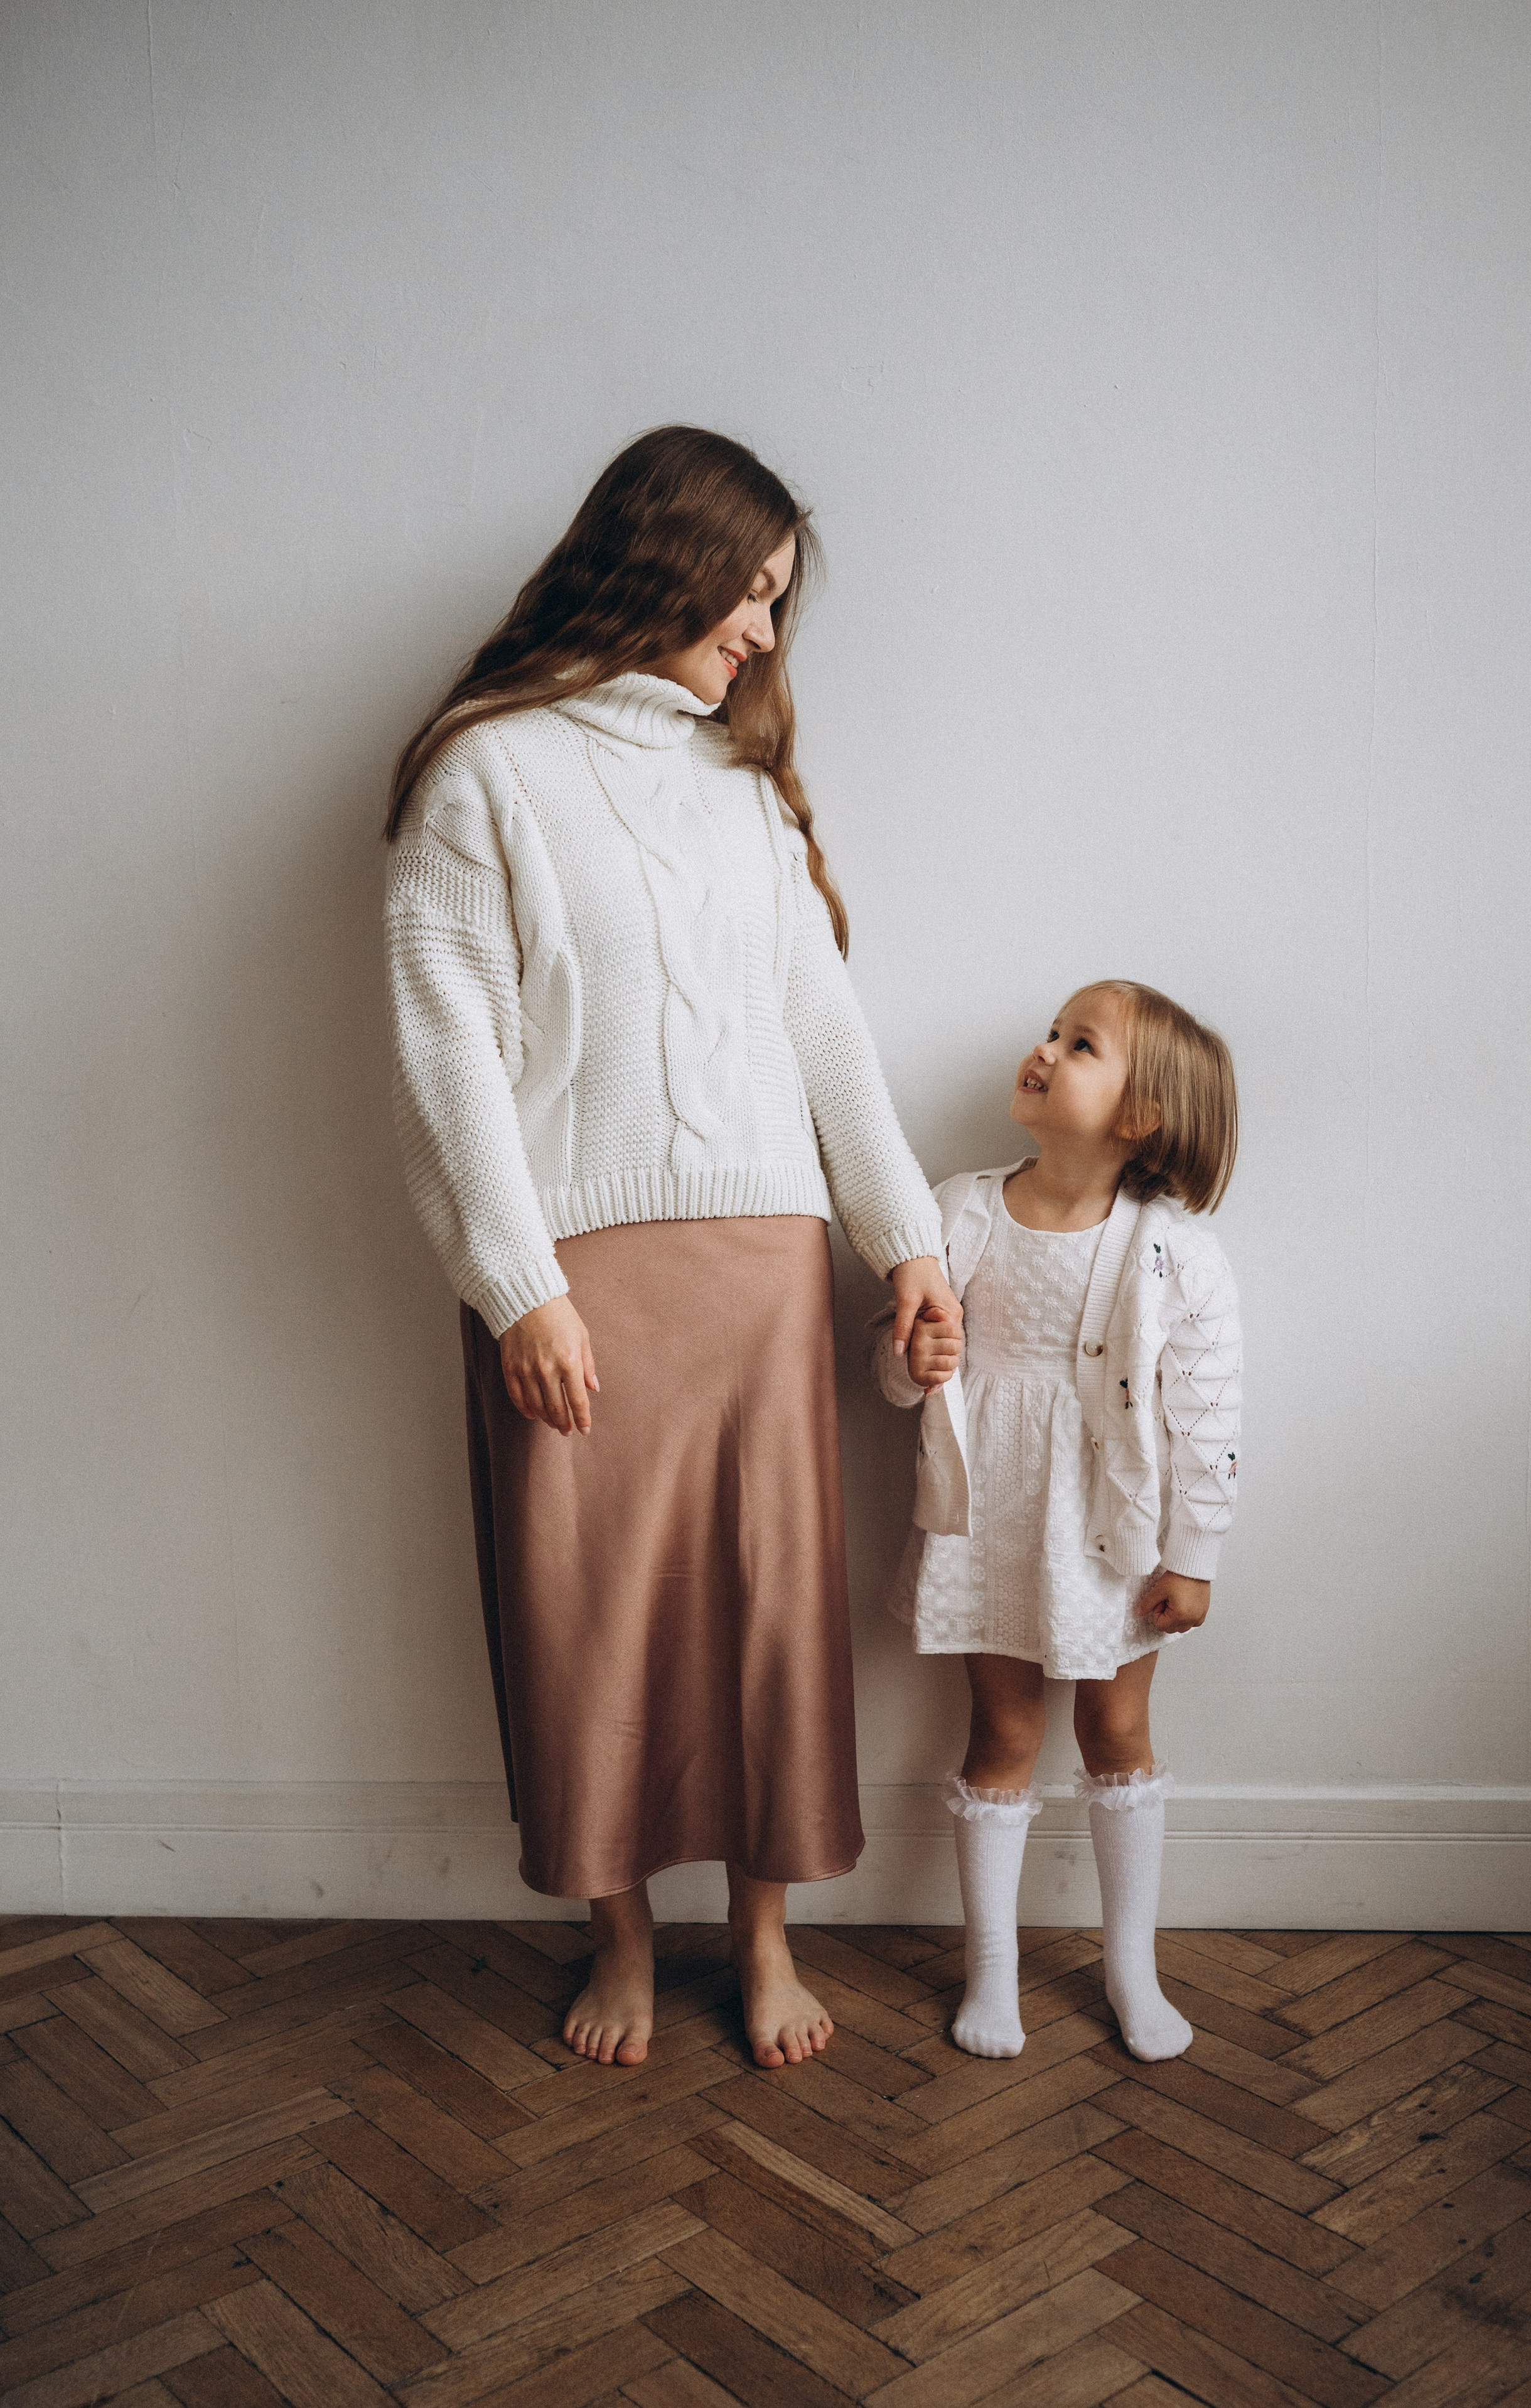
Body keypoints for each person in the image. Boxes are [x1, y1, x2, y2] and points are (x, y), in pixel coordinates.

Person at [384, 426, 959, 2070]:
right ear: (668, 561)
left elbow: (823, 1028)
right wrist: (520, 1285)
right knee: (591, 1622)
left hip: (763, 1265)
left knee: (769, 1611)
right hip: (578, 1275)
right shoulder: (484, 768)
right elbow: (450, 1057)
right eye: (753, 593)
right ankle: (622, 1935)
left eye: (780, 604)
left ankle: (763, 1938)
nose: (765, 635)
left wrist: (903, 1238)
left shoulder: (738, 785)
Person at [872, 981, 1241, 2062]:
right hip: (991, 1517)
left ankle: (1130, 1966)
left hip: (1114, 1528)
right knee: (1005, 1733)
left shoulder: (1174, 1254)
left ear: (1141, 1118)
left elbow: (1209, 1418)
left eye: (1079, 1044)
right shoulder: (963, 1209)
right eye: (1052, 1031)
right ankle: (992, 1967)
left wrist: (1196, 1555)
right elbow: (895, 1360)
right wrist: (910, 1363)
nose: (1043, 1050)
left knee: (1116, 1732)